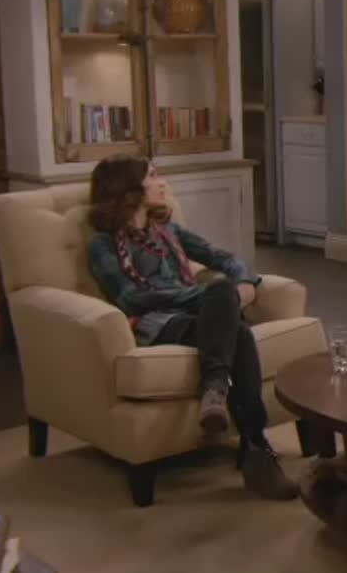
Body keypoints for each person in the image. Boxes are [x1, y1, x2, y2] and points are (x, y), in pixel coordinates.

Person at [85, 154, 299, 500]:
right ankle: (256, 449)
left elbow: (224, 257)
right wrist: (200, 295)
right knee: (233, 321)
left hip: (203, 318)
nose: (162, 183)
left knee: (229, 310)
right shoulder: (103, 244)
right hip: (157, 325)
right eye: (153, 176)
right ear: (129, 190)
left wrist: (245, 282)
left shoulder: (167, 231)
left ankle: (215, 391)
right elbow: (130, 297)